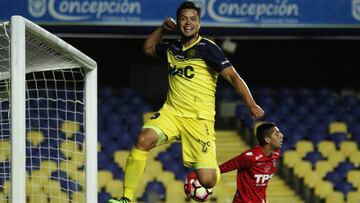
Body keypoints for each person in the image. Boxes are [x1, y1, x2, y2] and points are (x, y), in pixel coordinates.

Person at [108, 2, 264, 203]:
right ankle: (126, 198)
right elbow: (147, 48)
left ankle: (205, 175)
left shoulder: (208, 49)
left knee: (207, 180)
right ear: (178, 22)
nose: (188, 23)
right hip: (172, 113)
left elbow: (233, 76)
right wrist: (163, 29)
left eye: (193, 19)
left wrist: (251, 103)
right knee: (142, 140)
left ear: (199, 23)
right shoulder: (172, 48)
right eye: (183, 19)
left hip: (199, 120)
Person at [219, 122, 283, 203]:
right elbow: (221, 169)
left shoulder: (276, 154)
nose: (281, 135)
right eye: (277, 134)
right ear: (267, 139)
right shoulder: (249, 157)